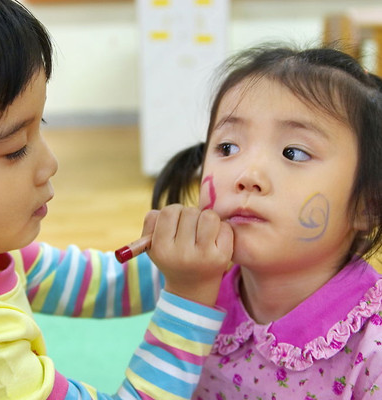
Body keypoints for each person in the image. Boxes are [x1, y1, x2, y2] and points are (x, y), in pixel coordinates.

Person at [0, 1, 232, 399]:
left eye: (40, 125)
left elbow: (97, 283)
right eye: (15, 149)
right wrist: (189, 299)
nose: (50, 163)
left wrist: (186, 259)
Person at [150, 45, 382, 399]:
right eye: (227, 148)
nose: (247, 174)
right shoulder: (193, 278)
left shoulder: (373, 345)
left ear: (366, 205)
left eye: (294, 152)